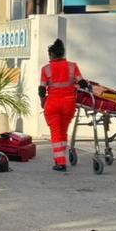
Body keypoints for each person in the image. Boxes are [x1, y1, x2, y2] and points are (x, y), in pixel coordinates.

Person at [38, 38, 85, 172]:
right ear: (62, 53)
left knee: (56, 133)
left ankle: (60, 162)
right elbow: (82, 83)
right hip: (69, 104)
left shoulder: (46, 69)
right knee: (63, 131)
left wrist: (43, 101)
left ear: (52, 55)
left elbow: (41, 90)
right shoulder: (72, 66)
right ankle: (61, 157)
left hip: (52, 103)